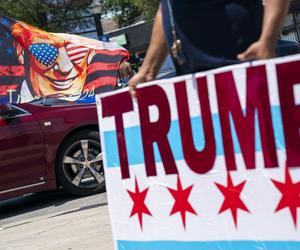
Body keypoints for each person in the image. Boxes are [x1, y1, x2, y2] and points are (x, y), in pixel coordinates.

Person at [129, 0, 290, 97]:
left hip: (239, 65)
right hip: (192, 81)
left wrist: (267, 40)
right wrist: (147, 71)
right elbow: (165, 9)